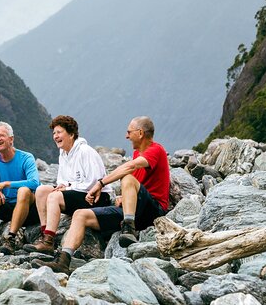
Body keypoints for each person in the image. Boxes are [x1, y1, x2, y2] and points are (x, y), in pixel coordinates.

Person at [36, 116, 169, 274]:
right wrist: (123, 198)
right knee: (80, 215)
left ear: (140, 133)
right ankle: (63, 260)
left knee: (127, 176)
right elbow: (137, 186)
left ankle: (128, 228)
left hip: (153, 211)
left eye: (129, 132)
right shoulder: (136, 153)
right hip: (133, 210)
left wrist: (101, 183)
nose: (126, 136)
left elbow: (130, 169)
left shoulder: (156, 149)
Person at [24, 115, 112, 254]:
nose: (55, 136)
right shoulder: (63, 153)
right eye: (54, 133)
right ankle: (44, 234)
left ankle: (48, 241)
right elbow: (62, 179)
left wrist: (67, 188)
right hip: (79, 193)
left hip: (96, 197)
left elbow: (93, 182)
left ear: (71, 134)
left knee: (54, 197)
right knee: (42, 190)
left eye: (59, 132)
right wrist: (62, 185)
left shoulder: (85, 151)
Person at [0, 121, 41, 254]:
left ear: (11, 139)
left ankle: (11, 238)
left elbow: (34, 183)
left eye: (1, 135)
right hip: (6, 206)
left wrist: (5, 184)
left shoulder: (26, 158)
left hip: (28, 209)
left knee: (24, 190)